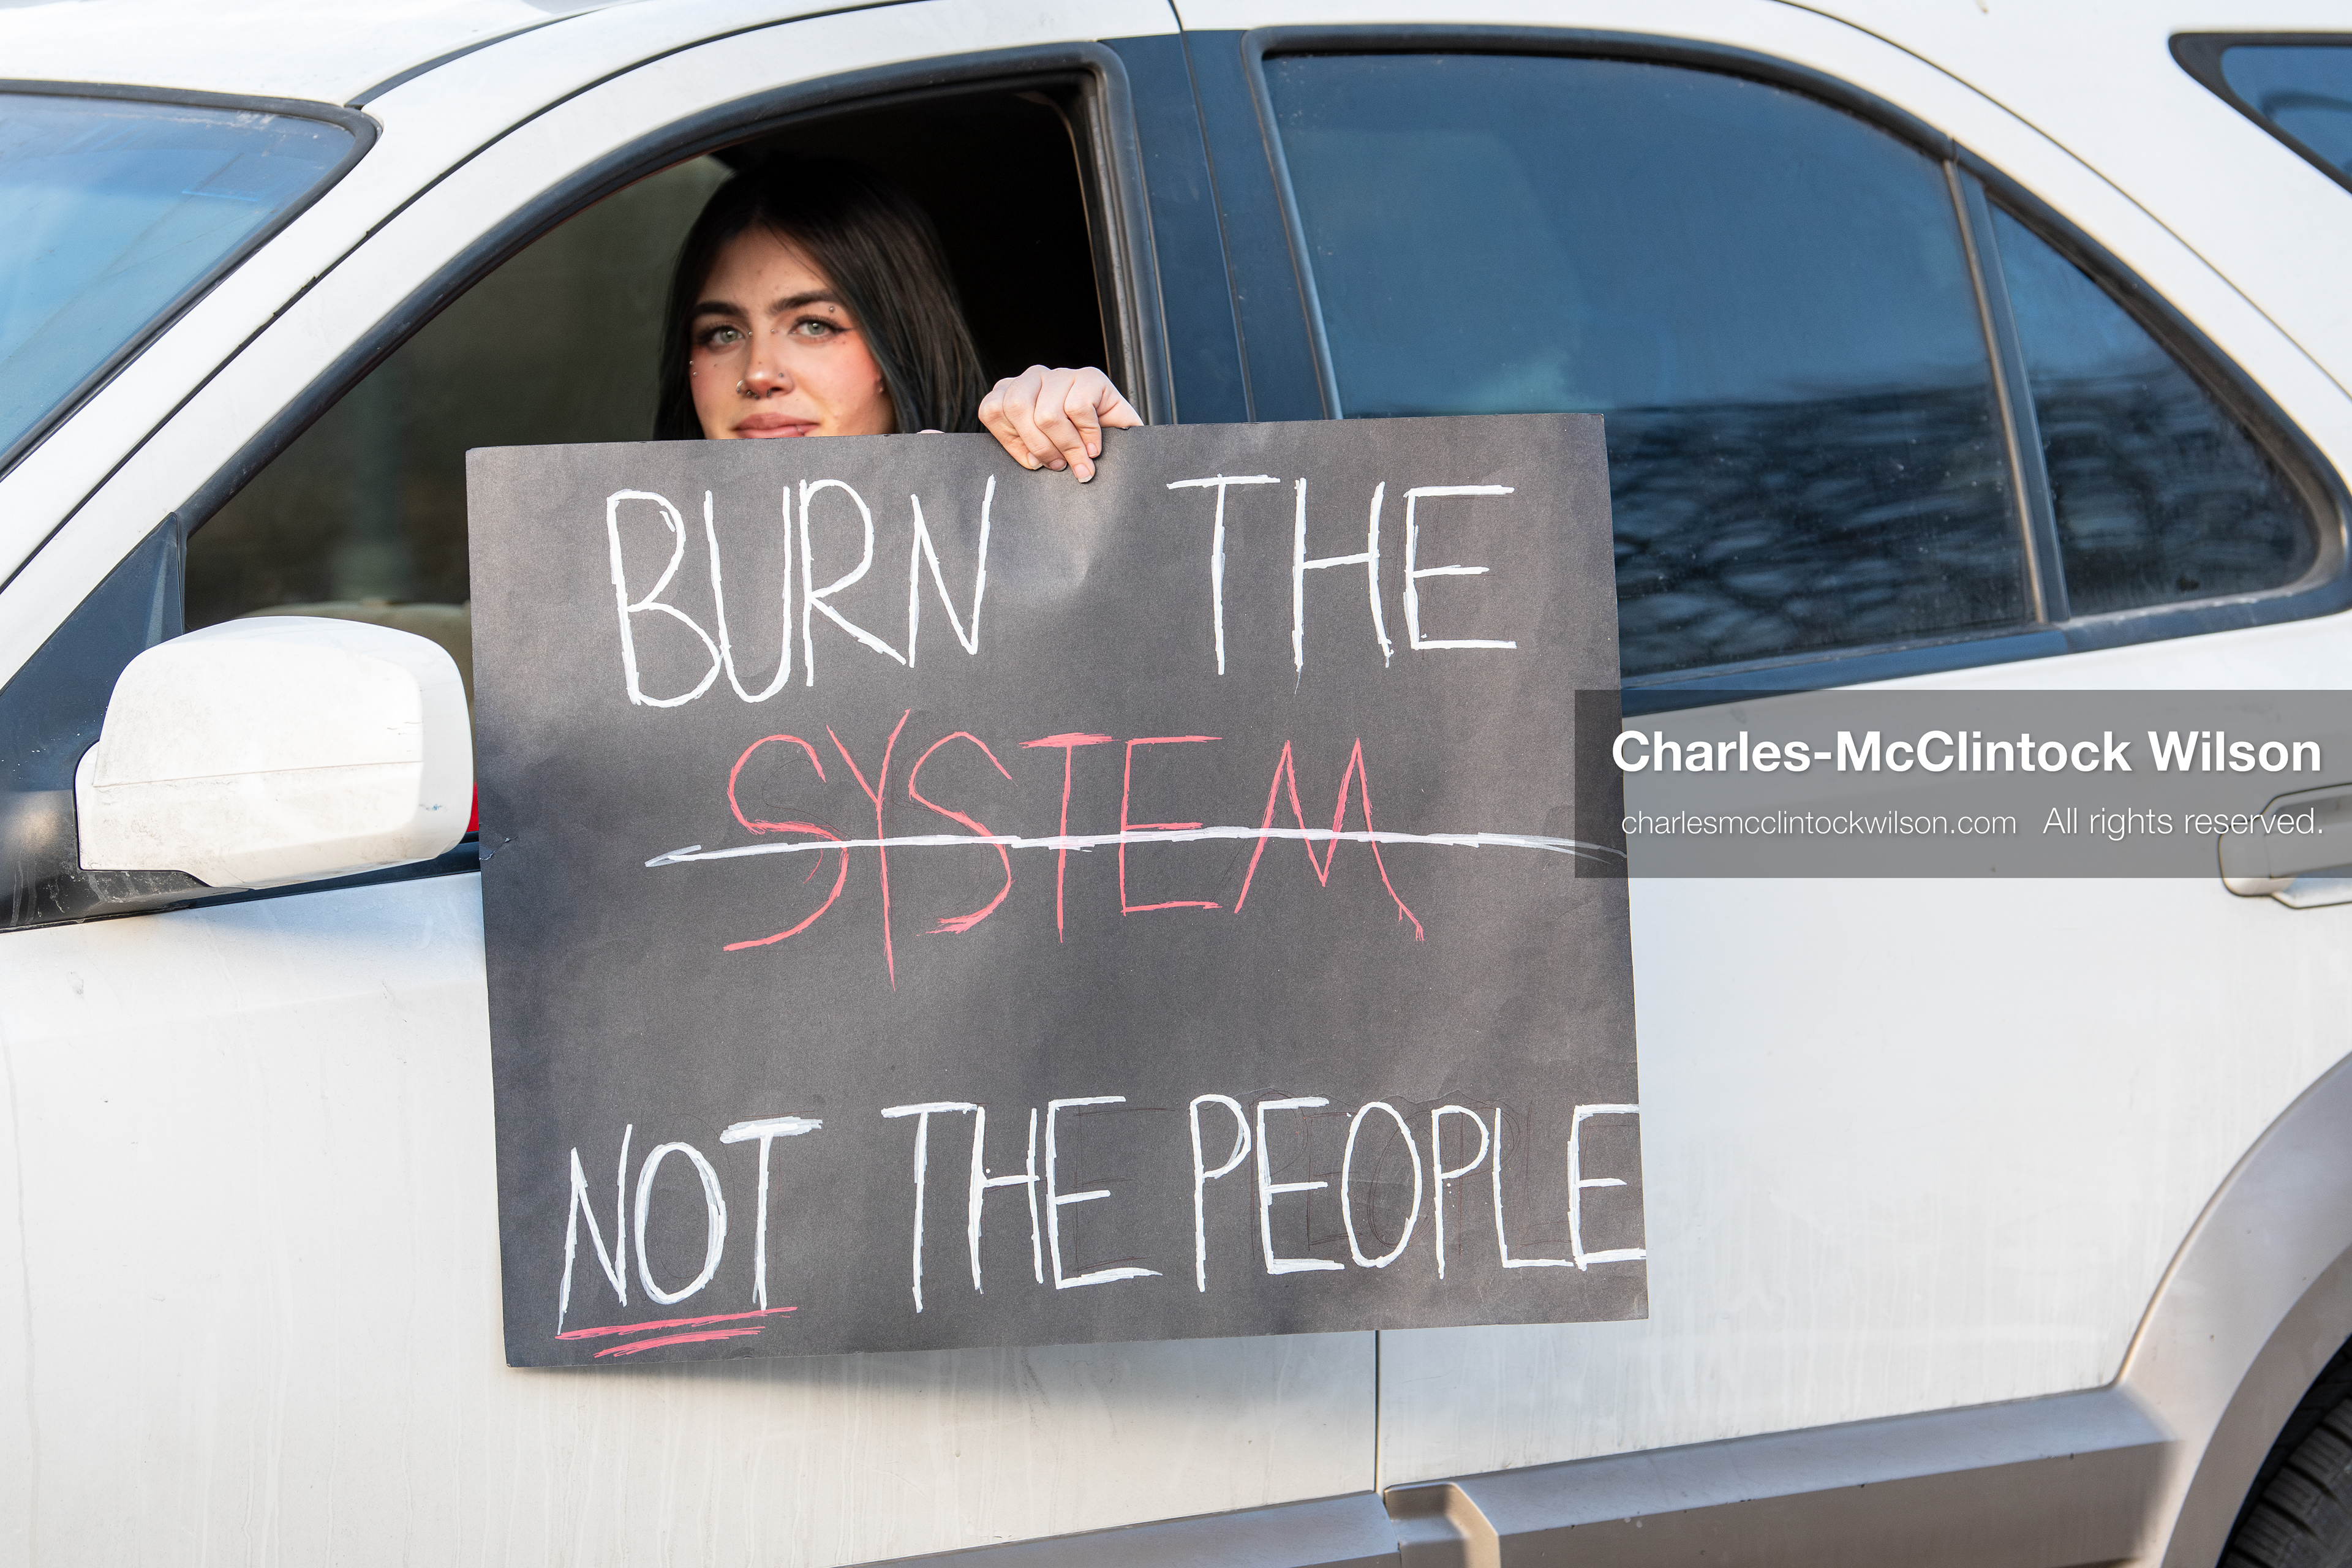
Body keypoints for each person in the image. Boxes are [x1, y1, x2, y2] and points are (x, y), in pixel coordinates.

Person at [654, 157, 1139, 481]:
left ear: (901, 342)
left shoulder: (1008, 543)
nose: (758, 374)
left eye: (814, 325)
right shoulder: (622, 578)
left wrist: (1115, 466)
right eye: (722, 333)